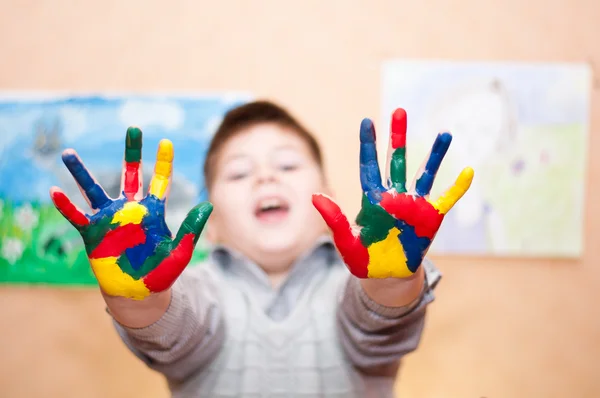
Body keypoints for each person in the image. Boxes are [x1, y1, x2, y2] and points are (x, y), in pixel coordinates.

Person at [49, 100, 474, 397]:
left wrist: (392, 279)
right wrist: (137, 294)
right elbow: (172, 332)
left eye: (287, 165)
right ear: (210, 223)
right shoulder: (196, 288)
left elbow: (375, 326)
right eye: (239, 173)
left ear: (328, 194)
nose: (266, 178)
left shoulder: (356, 280)